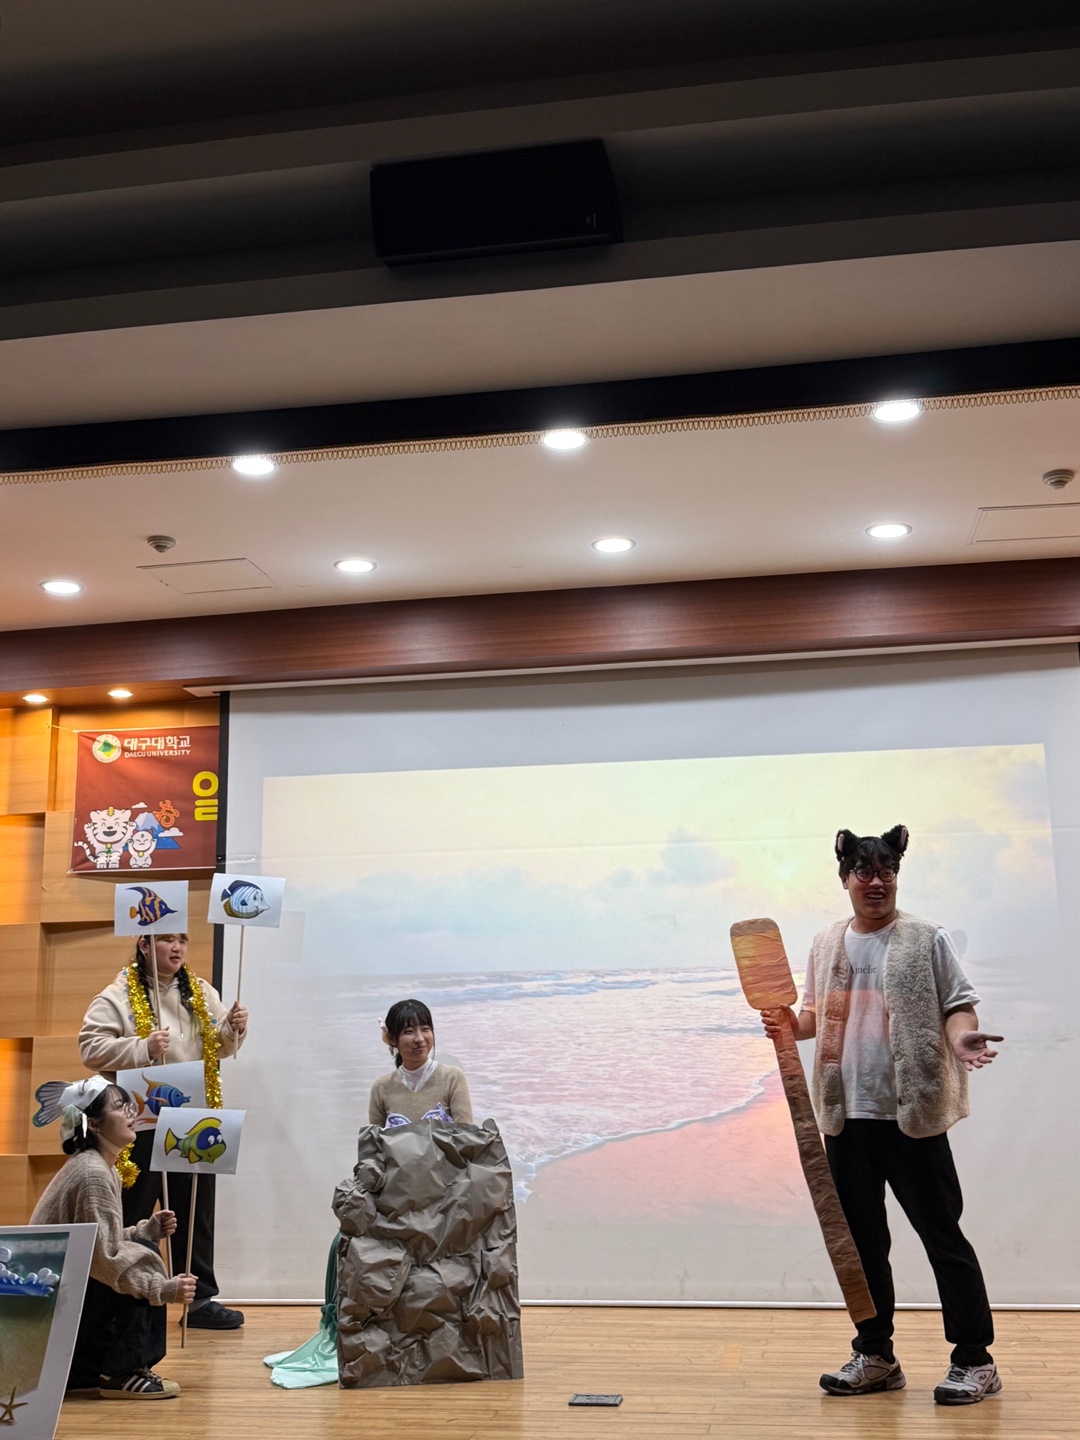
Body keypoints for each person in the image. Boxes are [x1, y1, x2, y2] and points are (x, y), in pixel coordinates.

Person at [762, 824, 1003, 1405]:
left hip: (911, 1116)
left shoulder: (926, 938)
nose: (877, 882)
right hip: (846, 1117)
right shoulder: (826, 943)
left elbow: (959, 1005)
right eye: (864, 872)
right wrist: (787, 1025)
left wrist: (962, 1038)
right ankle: (876, 1356)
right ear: (845, 878)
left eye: (886, 871)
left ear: (896, 875)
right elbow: (815, 1018)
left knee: (943, 1238)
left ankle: (975, 1360)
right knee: (862, 1246)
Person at [265, 998, 473, 1388]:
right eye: (408, 1031)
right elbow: (372, 1152)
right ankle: (354, 1338)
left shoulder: (451, 1079)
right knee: (341, 1245)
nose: (419, 1038)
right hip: (394, 1199)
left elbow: (467, 1144)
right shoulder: (382, 1088)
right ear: (391, 1039)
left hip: (442, 1197)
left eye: (425, 1028)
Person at [79, 931, 248, 1330]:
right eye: (167, 940)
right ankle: (122, 1293)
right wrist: (142, 1047)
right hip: (140, 1120)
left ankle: (200, 1300)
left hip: (194, 1117)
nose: (177, 948)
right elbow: (90, 1048)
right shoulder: (119, 994)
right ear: (144, 945)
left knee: (196, 1209)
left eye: (183, 940)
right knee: (135, 1208)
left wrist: (233, 1028)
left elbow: (220, 1047)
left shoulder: (200, 991)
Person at [30, 1076, 197, 1399]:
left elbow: (95, 1241)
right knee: (143, 1259)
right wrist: (162, 1289)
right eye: (121, 1108)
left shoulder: (99, 1166)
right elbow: (104, 1260)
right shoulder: (93, 1173)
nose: (132, 1113)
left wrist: (144, 1230)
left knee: (141, 1246)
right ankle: (121, 1373)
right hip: (52, 1306)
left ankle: (87, 1367)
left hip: (60, 1294)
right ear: (94, 1124)